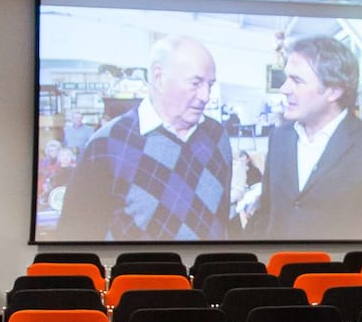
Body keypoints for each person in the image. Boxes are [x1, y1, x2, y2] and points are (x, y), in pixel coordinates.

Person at [240, 34, 362, 240]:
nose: (284, 89)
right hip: (279, 269)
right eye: (287, 78)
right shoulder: (280, 138)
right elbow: (266, 213)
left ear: (334, 91)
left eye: (296, 80)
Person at [54, 35, 238, 241]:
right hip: (137, 273)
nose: (205, 96)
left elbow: (222, 222)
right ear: (159, 77)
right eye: (195, 83)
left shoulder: (217, 136)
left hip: (204, 272)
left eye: (210, 85)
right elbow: (74, 233)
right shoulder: (107, 143)